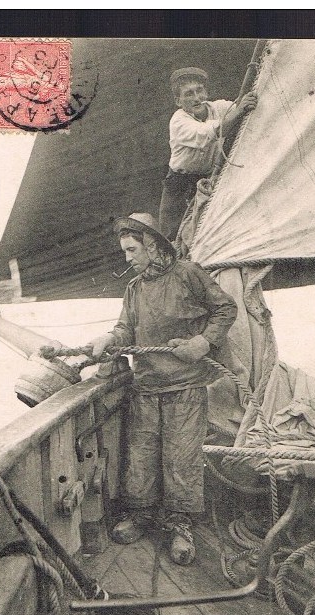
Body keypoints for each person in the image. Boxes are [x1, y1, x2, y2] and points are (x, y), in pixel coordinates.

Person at [83, 213, 238, 565]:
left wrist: (203, 342)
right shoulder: (134, 288)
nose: (127, 258)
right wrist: (111, 337)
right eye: (124, 251)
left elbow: (226, 308)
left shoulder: (188, 273)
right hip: (147, 387)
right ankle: (140, 515)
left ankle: (180, 525)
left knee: (181, 457)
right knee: (142, 455)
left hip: (185, 386)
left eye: (132, 249)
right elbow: (126, 328)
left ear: (152, 244)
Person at [159, 67, 258, 241]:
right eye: (189, 94)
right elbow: (216, 131)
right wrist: (240, 109)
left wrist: (247, 102)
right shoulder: (178, 121)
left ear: (206, 91)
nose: (197, 98)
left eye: (200, 91)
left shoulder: (220, 107)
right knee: (172, 238)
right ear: (178, 101)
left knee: (211, 234)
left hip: (210, 178)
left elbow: (241, 107)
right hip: (180, 185)